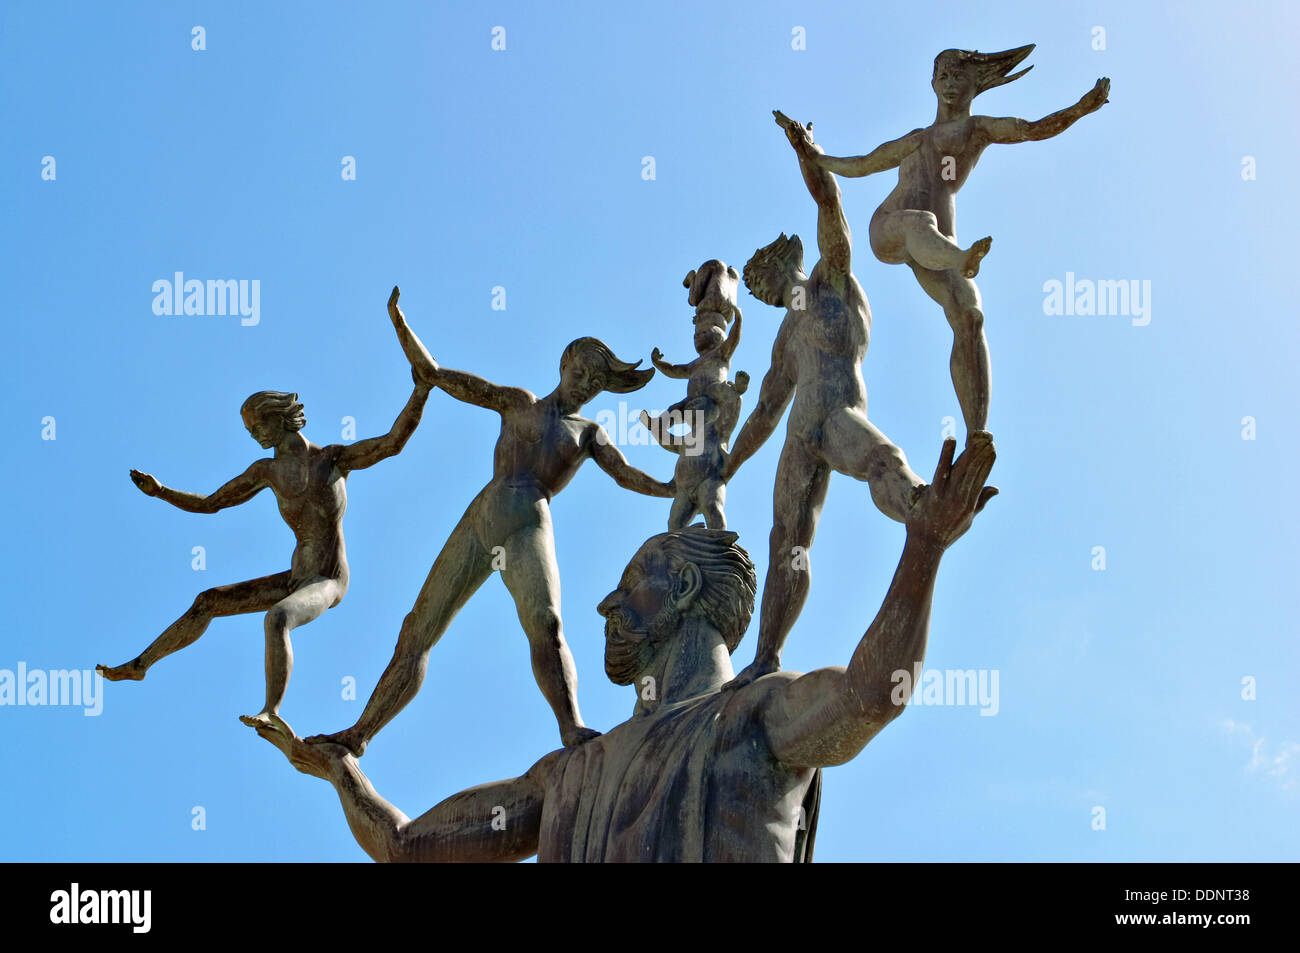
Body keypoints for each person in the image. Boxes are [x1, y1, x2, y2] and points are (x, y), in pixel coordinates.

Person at [250, 437, 996, 862]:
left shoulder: (756, 718)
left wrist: (923, 548)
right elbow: (412, 850)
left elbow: (872, 696)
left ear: (679, 592)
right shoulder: (571, 773)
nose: (608, 602)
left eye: (632, 581)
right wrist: (342, 771)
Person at [307, 290, 674, 753]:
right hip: (483, 517)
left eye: (595, 381)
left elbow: (625, 475)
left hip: (527, 523)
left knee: (546, 623)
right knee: (417, 629)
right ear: (564, 365)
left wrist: (670, 488)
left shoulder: (588, 434)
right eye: (580, 372)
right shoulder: (518, 402)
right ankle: (358, 735)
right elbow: (441, 376)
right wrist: (400, 323)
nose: (584, 383)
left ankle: (570, 725)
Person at [99, 287, 432, 734]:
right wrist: (161, 492)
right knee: (209, 601)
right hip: (295, 574)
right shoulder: (266, 471)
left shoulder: (331, 459)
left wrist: (420, 391)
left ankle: (273, 710)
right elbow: (211, 504)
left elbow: (391, 443)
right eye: (249, 428)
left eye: (256, 425)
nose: (253, 434)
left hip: (328, 579)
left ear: (278, 419)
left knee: (278, 618)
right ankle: (142, 664)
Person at [809, 45, 1110, 434]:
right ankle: (961, 257)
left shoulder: (978, 130)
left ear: (974, 85)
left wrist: (1080, 109)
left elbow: (1032, 129)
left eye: (959, 77)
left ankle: (975, 435)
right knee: (922, 221)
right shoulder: (917, 139)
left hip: (938, 246)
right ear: (933, 83)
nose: (950, 83)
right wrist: (813, 154)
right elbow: (861, 165)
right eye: (944, 76)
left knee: (969, 315)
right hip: (892, 228)